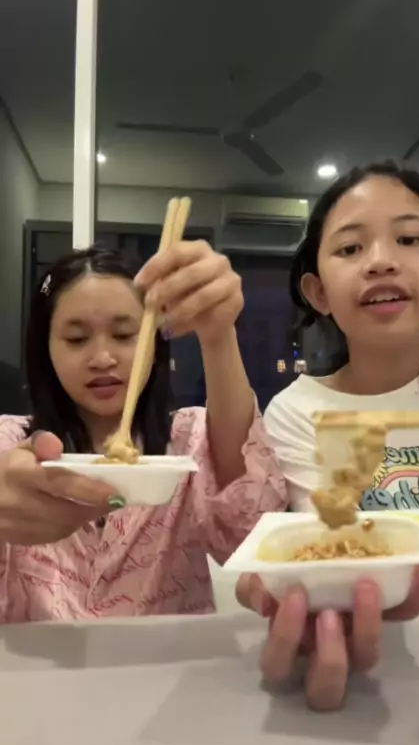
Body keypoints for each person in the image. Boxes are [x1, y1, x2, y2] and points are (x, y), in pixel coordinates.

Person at [236, 160, 419, 710]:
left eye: (409, 239)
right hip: (379, 676)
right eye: (350, 248)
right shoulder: (299, 412)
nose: (381, 261)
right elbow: (331, 553)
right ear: (319, 293)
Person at [0, 241, 286, 622]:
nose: (103, 358)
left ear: (155, 341)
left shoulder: (189, 437)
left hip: (171, 659)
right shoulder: (9, 444)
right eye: (77, 339)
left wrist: (218, 334)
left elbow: (251, 532)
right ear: (45, 349)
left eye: (124, 335)